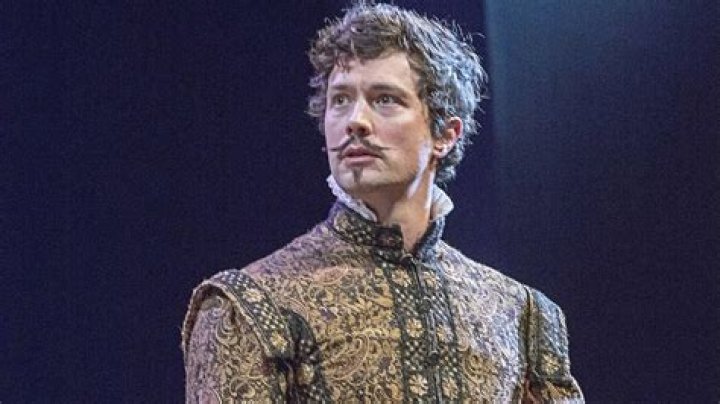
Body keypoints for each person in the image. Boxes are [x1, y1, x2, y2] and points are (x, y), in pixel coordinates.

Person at [182, 2, 584, 402]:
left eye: (385, 99)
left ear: (445, 134)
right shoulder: (253, 304)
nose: (355, 121)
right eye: (340, 100)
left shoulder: (519, 314)